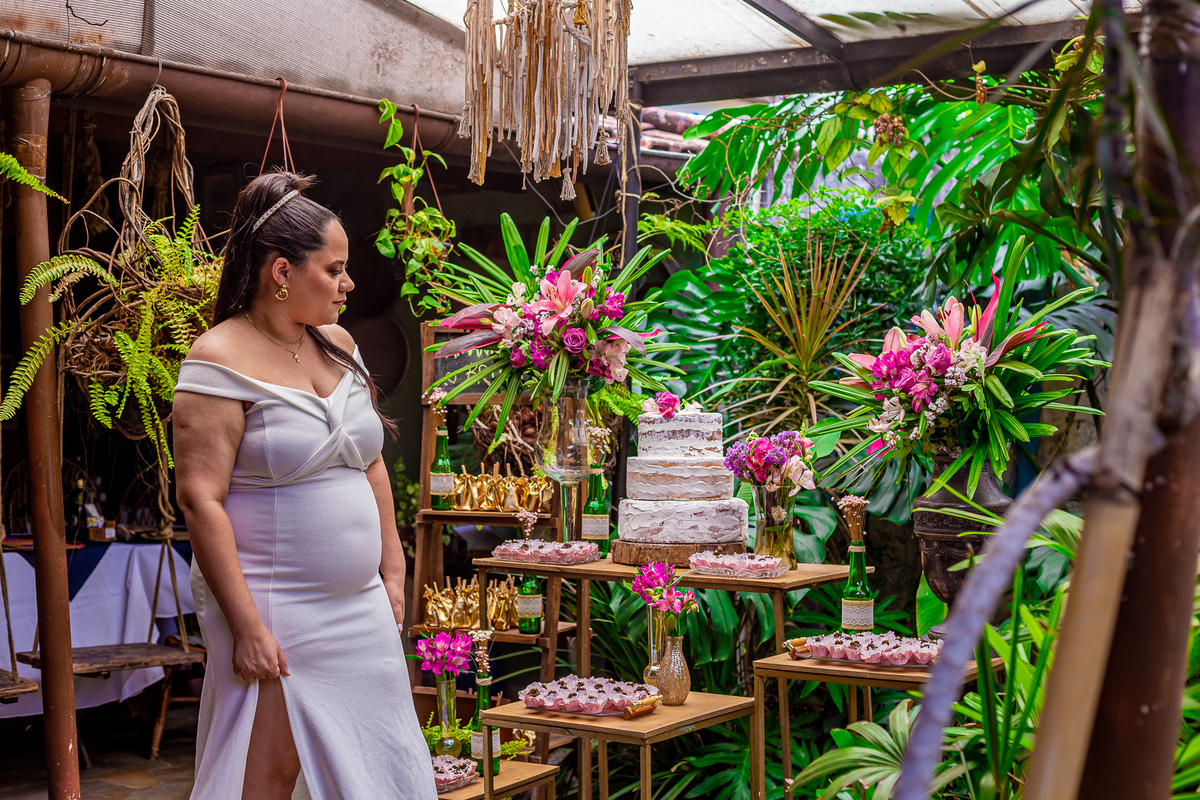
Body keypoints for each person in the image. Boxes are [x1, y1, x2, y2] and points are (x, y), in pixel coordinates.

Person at [173, 171, 437, 800]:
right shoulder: (218, 357)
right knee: (267, 774)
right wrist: (247, 627)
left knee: (385, 757)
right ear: (282, 272)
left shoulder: (340, 345)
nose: (349, 284)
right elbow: (200, 500)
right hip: (278, 609)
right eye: (335, 269)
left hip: (361, 605)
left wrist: (393, 569)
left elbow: (370, 462)